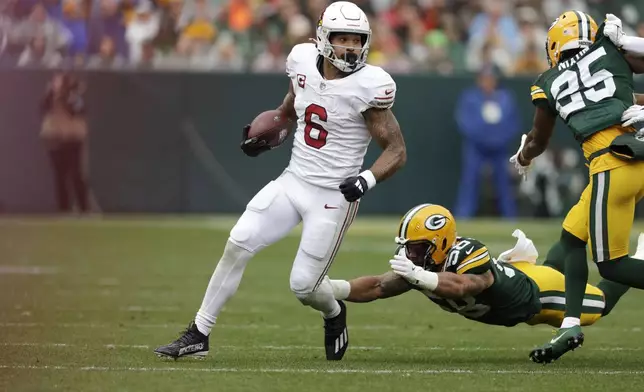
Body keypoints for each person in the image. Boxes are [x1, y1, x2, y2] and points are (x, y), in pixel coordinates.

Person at [154, 1, 406, 361]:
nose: (350, 47)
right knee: (238, 241)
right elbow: (291, 106)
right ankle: (199, 333)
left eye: (356, 39)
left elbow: (397, 150)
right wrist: (271, 132)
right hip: (294, 180)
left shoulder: (371, 85)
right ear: (323, 38)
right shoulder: (302, 61)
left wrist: (365, 180)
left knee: (303, 287)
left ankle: (334, 311)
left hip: (334, 196)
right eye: (342, 38)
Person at [509, 11, 644, 363]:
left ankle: (571, 321)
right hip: (634, 152)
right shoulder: (610, 51)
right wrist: (625, 43)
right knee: (570, 239)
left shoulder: (548, 81)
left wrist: (524, 155)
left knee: (612, 266)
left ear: (554, 45)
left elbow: (539, 139)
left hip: (612, 164)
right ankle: (570, 323)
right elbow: (626, 95)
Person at [328, 204, 634, 330]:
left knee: (600, 305)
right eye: (409, 246)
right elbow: (378, 286)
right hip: (520, 286)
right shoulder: (423, 265)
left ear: (443, 241)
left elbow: (466, 285)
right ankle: (574, 234)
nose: (412, 254)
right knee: (556, 263)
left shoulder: (466, 252)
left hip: (540, 296)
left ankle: (640, 257)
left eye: (419, 247)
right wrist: (332, 288)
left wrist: (420, 276)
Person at [454, 66, 520, 219]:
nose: (488, 82)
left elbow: (513, 123)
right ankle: (464, 215)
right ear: (479, 80)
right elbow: (464, 122)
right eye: (485, 79)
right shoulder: (470, 97)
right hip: (476, 147)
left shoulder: (505, 98)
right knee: (470, 181)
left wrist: (498, 139)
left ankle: (510, 217)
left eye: (491, 79)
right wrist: (484, 138)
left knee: (504, 183)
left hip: (500, 148)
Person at [40, 72, 89, 213]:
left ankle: (83, 207)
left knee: (76, 175)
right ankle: (63, 208)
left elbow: (75, 110)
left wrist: (68, 95)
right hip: (55, 138)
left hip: (73, 139)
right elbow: (42, 108)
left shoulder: (76, 97)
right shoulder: (50, 96)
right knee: (59, 176)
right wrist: (52, 93)